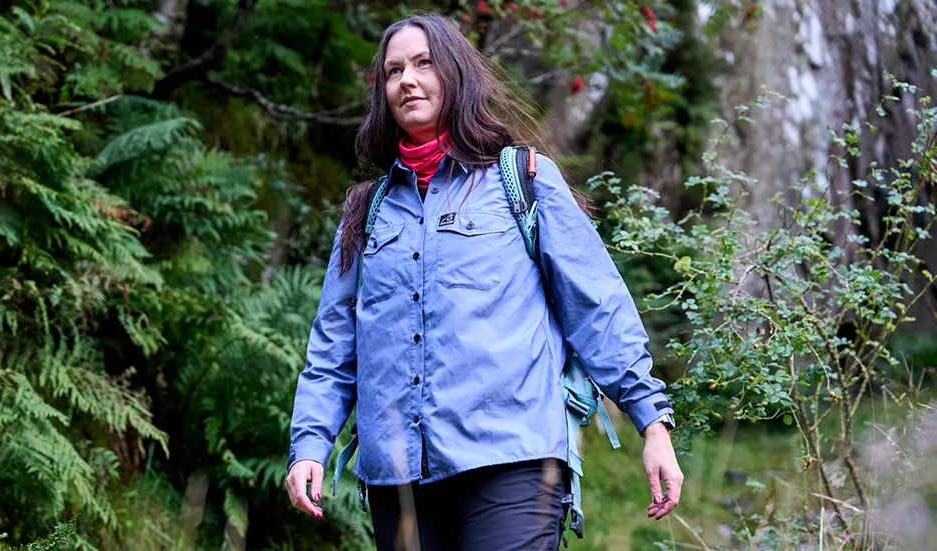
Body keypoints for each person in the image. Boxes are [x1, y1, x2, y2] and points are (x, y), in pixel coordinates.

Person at [285, 12, 683, 551]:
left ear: (454, 74)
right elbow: (334, 345)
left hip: (511, 464)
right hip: (398, 477)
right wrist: (310, 444)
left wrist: (652, 423)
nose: (408, 79)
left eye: (424, 64)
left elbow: (597, 307)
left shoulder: (523, 180)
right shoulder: (367, 210)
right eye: (394, 70)